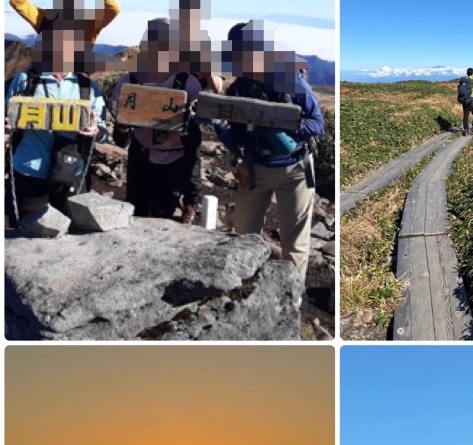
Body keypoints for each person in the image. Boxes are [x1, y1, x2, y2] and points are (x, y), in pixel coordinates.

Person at [209, 20, 324, 286]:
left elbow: (317, 123)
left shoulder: (291, 81)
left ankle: (291, 296)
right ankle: (246, 287)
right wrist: (221, 127)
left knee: (294, 243)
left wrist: (285, 124)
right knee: (244, 233)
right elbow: (236, 137)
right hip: (253, 166)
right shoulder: (240, 88)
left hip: (296, 169)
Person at [5, 23, 106, 222]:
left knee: (72, 236)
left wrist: (96, 130)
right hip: (29, 170)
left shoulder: (87, 87)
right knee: (28, 233)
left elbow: (103, 131)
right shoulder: (25, 80)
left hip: (72, 172)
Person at [110, 18, 204, 223]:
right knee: (137, 213)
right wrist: (123, 126)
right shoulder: (130, 82)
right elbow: (120, 139)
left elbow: (196, 140)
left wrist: (188, 124)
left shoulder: (188, 83)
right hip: (141, 158)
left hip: (175, 162)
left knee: (164, 216)